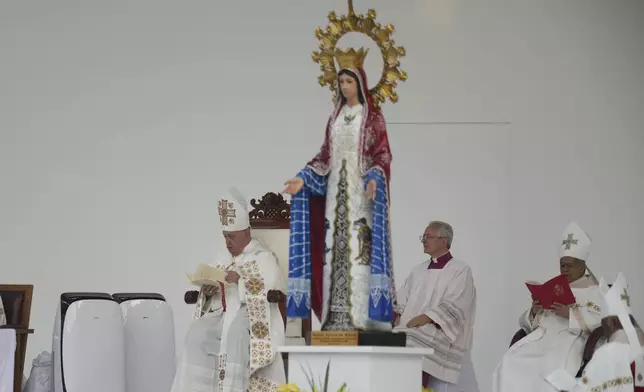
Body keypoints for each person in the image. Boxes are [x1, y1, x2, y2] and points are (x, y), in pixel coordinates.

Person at [282, 46, 395, 331]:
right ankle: (335, 317)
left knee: (360, 251)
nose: (345, 87)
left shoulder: (372, 117)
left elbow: (382, 154)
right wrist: (304, 178)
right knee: (334, 251)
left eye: (349, 81)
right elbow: (324, 156)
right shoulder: (334, 118)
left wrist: (374, 178)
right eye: (341, 82)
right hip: (335, 192)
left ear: (360, 83)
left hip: (360, 193)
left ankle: (363, 318)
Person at [171, 187, 286, 392]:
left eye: (232, 236)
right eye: (225, 236)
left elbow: (271, 286)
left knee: (235, 334)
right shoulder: (223, 257)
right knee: (196, 334)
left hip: (250, 315)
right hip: (221, 315)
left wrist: (241, 281)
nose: (227, 242)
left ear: (246, 232)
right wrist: (208, 290)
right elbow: (214, 283)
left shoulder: (263, 257)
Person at [492, 221, 602, 392]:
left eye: (570, 265)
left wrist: (572, 314)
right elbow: (528, 323)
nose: (564, 269)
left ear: (583, 265)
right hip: (541, 338)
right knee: (510, 363)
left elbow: (600, 322)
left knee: (548, 371)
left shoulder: (595, 290)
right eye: (562, 265)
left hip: (569, 341)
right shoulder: (555, 286)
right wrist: (535, 311)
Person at [393, 221, 479, 392]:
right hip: (410, 327)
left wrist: (427, 317)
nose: (424, 240)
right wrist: (392, 315)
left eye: (429, 236)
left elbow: (458, 303)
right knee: (391, 339)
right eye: (423, 237)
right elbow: (401, 299)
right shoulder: (418, 270)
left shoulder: (460, 270)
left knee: (413, 343)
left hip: (439, 329)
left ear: (444, 240)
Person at [545, 272, 644, 391]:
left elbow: (587, 387)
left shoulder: (607, 354)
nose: (603, 328)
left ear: (612, 322)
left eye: (604, 322)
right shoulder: (638, 346)